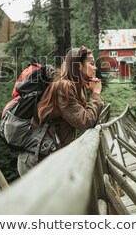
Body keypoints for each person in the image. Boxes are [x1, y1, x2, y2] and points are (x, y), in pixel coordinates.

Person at [17, 46, 104, 176]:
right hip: (37, 159)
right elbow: (85, 121)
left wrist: (90, 92)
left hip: (48, 156)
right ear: (78, 66)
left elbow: (85, 117)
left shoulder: (74, 86)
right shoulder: (64, 87)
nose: (95, 68)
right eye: (91, 64)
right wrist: (96, 94)